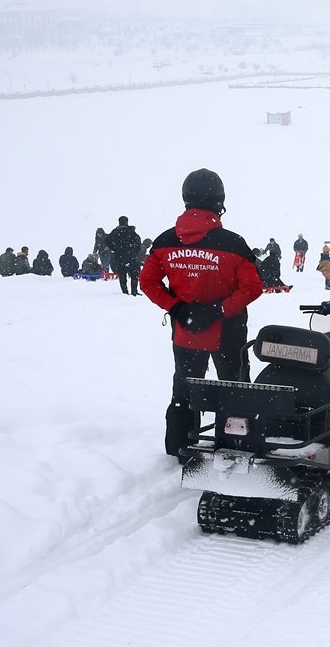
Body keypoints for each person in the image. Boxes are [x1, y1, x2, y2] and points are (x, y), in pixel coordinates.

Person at [140, 168, 264, 462]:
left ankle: (180, 446)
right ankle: (236, 445)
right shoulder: (232, 243)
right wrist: (219, 310)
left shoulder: (165, 241)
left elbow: (148, 282)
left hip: (186, 331)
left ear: (186, 199)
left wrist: (177, 307)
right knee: (233, 387)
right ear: (219, 202)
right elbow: (252, 287)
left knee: (184, 387)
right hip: (228, 331)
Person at [107, 215, 142, 295]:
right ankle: (134, 291)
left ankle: (124, 291)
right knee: (134, 274)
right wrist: (135, 251)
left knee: (122, 274)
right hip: (131, 256)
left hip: (119, 256)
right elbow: (138, 241)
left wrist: (115, 249)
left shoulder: (115, 232)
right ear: (127, 222)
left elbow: (107, 241)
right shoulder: (131, 231)